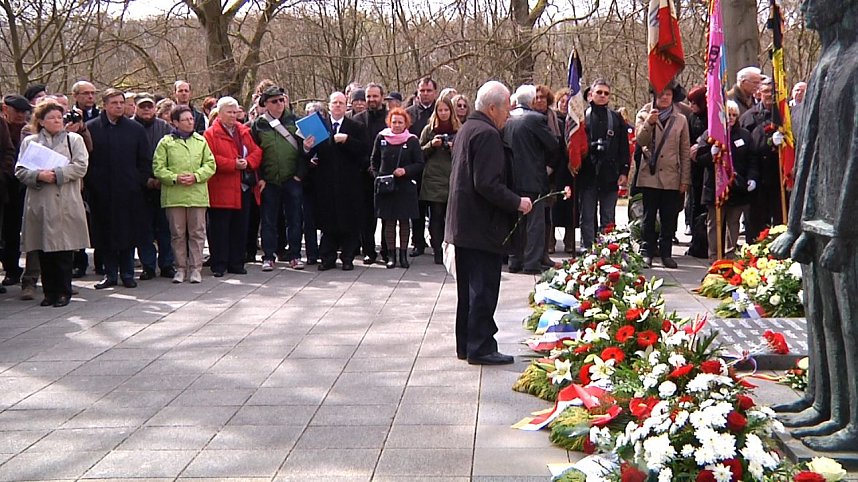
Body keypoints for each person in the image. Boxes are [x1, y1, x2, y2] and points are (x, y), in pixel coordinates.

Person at [769, 0, 858, 451]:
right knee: (821, 318)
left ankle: (853, 419)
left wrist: (844, 230)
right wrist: (797, 222)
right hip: (818, 216)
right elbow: (808, 152)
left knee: (852, 325)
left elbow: (856, 154)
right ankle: (826, 402)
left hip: (847, 222)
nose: (804, 7)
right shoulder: (827, 58)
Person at [446, 80, 533, 365]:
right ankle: (481, 346)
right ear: (493, 108)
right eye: (506, 108)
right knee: (482, 288)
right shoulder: (486, 134)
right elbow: (486, 183)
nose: (509, 114)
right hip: (482, 226)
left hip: (465, 224)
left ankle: (467, 344)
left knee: (468, 290)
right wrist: (516, 202)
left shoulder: (468, 129)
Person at [15, 100, 89, 307]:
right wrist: (38, 176)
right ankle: (49, 292)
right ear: (40, 121)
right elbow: (20, 170)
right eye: (51, 118)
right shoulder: (31, 142)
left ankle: (64, 291)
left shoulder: (73, 140)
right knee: (43, 249)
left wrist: (56, 174)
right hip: (39, 201)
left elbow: (81, 167)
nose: (57, 121)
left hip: (65, 199)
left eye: (59, 117)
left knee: (63, 250)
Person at [86, 88, 152, 289]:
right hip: (102, 193)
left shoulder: (135, 129)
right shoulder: (92, 128)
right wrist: (92, 185)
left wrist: (137, 181)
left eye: (121, 103)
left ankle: (128, 273)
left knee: (128, 233)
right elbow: (87, 160)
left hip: (129, 192)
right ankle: (110, 273)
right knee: (105, 234)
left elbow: (145, 159)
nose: (118, 106)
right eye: (114, 103)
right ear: (105, 105)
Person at [153, 105, 216, 283]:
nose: (190, 122)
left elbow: (210, 165)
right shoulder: (166, 143)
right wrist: (175, 178)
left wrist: (196, 176)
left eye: (191, 119)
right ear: (175, 123)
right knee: (177, 234)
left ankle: (196, 268)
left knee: (197, 232)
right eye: (185, 120)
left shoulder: (201, 141)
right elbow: (158, 168)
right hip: (174, 196)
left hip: (197, 195)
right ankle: (180, 268)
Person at [503, 84, 560, 274]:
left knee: (515, 221)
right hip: (533, 177)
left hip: (510, 178)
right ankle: (532, 263)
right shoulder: (536, 119)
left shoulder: (507, 119)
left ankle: (515, 259)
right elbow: (553, 144)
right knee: (534, 222)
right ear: (531, 100)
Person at [634, 82, 691, 268]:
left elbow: (684, 150)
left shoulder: (681, 119)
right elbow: (640, 141)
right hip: (649, 175)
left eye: (668, 94)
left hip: (672, 176)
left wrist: (685, 179)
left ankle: (666, 253)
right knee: (648, 217)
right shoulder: (643, 115)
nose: (664, 97)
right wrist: (649, 123)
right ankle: (646, 252)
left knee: (669, 217)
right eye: (661, 94)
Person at [251, 86, 307, 272]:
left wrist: (299, 175)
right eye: (274, 101)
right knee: (268, 220)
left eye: (281, 100)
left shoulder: (296, 121)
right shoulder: (258, 125)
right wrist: (259, 178)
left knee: (295, 219)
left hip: (292, 178)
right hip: (269, 180)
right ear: (266, 104)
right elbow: (254, 153)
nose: (279, 104)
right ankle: (268, 256)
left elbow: (304, 152)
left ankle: (295, 255)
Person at [204, 97, 262, 277]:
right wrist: (232, 164)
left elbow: (257, 152)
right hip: (221, 187)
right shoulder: (210, 134)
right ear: (219, 114)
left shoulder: (244, 131)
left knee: (240, 227)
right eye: (228, 112)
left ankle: (237, 263)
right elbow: (210, 158)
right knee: (220, 228)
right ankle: (219, 264)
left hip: (242, 187)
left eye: (235, 112)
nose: (232, 115)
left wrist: (248, 162)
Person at [310, 92, 368, 270]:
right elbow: (312, 151)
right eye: (334, 103)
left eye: (341, 103)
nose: (337, 106)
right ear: (329, 106)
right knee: (328, 222)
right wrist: (308, 149)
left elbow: (364, 151)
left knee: (349, 221)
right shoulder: (321, 127)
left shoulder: (356, 126)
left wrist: (348, 140)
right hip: (325, 182)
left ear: (346, 106)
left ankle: (348, 258)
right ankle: (327, 257)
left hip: (349, 182)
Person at [694, 100, 758, 260]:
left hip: (737, 186)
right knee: (714, 224)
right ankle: (714, 257)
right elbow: (698, 159)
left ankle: (730, 257)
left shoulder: (744, 135)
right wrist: (711, 154)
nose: (731, 118)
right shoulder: (710, 134)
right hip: (715, 186)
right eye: (728, 114)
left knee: (733, 223)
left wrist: (752, 178)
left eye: (734, 115)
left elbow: (752, 160)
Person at [577, 79, 631, 251]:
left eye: (606, 93)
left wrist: (624, 171)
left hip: (610, 173)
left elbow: (624, 147)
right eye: (599, 92)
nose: (602, 96)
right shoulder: (581, 117)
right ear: (590, 95)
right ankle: (587, 249)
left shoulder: (616, 118)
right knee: (587, 216)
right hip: (588, 173)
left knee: (608, 216)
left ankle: (608, 251)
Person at [370, 107, 423, 269]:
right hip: (386, 188)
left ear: (406, 123)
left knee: (404, 222)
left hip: (406, 187)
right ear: (389, 122)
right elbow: (374, 160)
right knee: (389, 222)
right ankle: (391, 256)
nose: (397, 125)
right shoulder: (381, 138)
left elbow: (420, 164)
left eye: (400, 122)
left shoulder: (412, 140)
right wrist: (378, 176)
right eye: (394, 122)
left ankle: (403, 256)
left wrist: (405, 171)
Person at [133, 93, 176, 280]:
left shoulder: (164, 127)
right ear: (135, 107)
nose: (146, 110)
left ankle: (167, 264)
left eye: (149, 106)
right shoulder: (130, 128)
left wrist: (163, 178)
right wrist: (146, 180)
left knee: (165, 228)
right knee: (144, 230)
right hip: (139, 187)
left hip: (163, 185)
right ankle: (148, 266)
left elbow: (173, 155)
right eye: (142, 106)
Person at [739, 77, 783, 241]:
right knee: (755, 221)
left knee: (780, 219)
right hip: (756, 175)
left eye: (773, 92)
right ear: (758, 93)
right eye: (766, 91)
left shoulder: (785, 115)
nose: (770, 95)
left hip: (779, 176)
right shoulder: (748, 117)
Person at [419, 97, 460, 265]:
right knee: (435, 216)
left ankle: (451, 248)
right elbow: (418, 153)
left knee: (451, 217)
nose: (443, 113)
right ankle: (437, 250)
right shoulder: (429, 129)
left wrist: (453, 148)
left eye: (446, 110)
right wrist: (431, 145)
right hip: (433, 179)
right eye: (440, 110)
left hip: (452, 177)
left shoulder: (459, 130)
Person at [353, 83, 389, 265]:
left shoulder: (391, 118)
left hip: (386, 174)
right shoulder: (357, 120)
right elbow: (355, 148)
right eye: (368, 97)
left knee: (387, 215)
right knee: (366, 216)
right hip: (364, 175)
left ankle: (387, 250)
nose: (371, 100)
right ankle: (368, 251)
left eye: (375, 96)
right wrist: (367, 166)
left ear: (382, 97)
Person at [1, 96, 30, 294]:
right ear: (5, 108)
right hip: (5, 185)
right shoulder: (4, 124)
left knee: (12, 230)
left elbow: (8, 153)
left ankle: (13, 269)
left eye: (24, 111)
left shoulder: (29, 130)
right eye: (17, 111)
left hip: (17, 186)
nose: (21, 115)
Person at [406, 77, 438, 257]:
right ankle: (418, 242)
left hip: (436, 169)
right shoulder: (409, 114)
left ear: (434, 92)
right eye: (422, 91)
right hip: (415, 168)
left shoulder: (441, 112)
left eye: (428, 91)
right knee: (416, 208)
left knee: (436, 210)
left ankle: (437, 241)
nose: (425, 94)